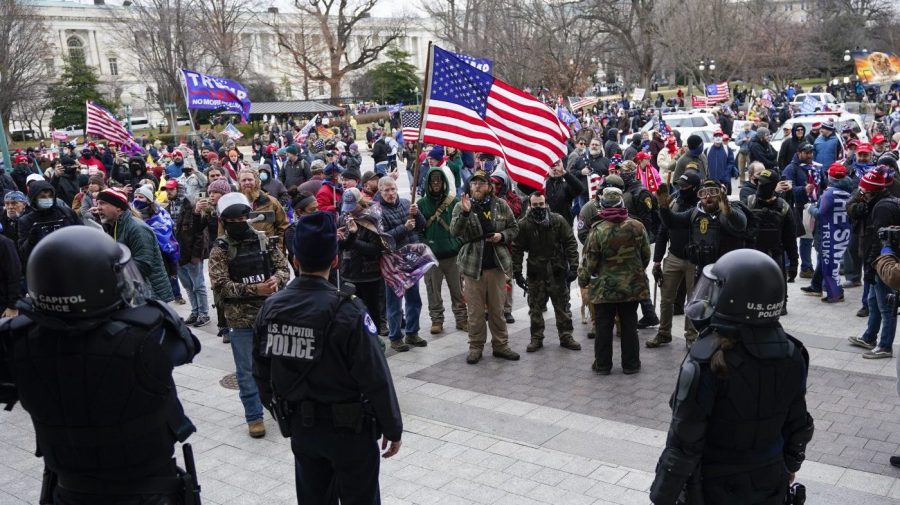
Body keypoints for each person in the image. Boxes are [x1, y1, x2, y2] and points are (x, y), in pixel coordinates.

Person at [0, 226, 201, 505]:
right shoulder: (146, 334)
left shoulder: (16, 339)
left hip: (68, 489)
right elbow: (187, 347)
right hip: (147, 490)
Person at [252, 211, 402, 504]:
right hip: (351, 432)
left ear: (295, 260)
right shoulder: (349, 310)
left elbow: (259, 370)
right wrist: (392, 426)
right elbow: (375, 376)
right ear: (335, 260)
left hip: (303, 429)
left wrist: (278, 411)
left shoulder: (270, 308)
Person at [649, 249, 814, 505]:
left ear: (735, 299)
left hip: (713, 486)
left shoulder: (707, 359)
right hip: (770, 480)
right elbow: (799, 424)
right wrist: (790, 464)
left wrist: (662, 496)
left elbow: (684, 442)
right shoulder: (793, 353)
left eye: (715, 291)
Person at [578, 187, 651, 375]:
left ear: (602, 205)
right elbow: (645, 256)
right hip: (632, 287)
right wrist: (634, 271)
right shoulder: (637, 226)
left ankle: (602, 365)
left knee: (603, 327)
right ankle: (631, 364)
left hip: (605, 289)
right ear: (622, 204)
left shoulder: (597, 230)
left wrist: (583, 280)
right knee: (629, 325)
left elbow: (589, 262)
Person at [450, 170, 520, 364]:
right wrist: (465, 213)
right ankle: (475, 347)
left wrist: (502, 236)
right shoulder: (461, 206)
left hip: (497, 266)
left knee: (498, 311)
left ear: (490, 187)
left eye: (481, 183)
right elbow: (455, 232)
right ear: (470, 186)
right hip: (473, 267)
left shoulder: (501, 205)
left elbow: (514, 228)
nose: (477, 186)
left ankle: (501, 346)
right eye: (474, 183)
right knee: (475, 312)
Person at [513, 192, 581, 352]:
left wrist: (574, 266)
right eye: (535, 205)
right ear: (530, 206)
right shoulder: (524, 224)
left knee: (562, 306)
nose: (538, 208)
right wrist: (517, 273)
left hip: (557, 270)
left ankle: (566, 336)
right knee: (535, 308)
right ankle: (536, 338)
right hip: (536, 272)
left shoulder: (557, 220)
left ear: (546, 204)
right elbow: (517, 249)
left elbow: (570, 242)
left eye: (541, 204)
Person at [847, 167, 900, 359]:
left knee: (886, 306)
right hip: (879, 261)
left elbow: (880, 241)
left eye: (864, 190)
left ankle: (885, 345)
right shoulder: (880, 203)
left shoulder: (882, 208)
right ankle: (869, 336)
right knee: (873, 300)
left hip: (883, 263)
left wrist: (871, 266)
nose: (862, 193)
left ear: (871, 191)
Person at [647, 171, 701, 348]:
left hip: (695, 260)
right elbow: (663, 232)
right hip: (674, 256)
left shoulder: (701, 207)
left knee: (693, 301)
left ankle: (691, 337)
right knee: (666, 299)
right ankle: (664, 333)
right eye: (680, 185)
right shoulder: (674, 201)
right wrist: (656, 261)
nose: (681, 189)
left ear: (694, 187)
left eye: (685, 186)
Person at [378, 177, 428, 351]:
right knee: (394, 302)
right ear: (380, 191)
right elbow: (384, 239)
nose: (391, 193)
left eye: (393, 189)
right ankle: (395, 336)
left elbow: (422, 225)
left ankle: (412, 333)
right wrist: (404, 228)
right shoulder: (377, 211)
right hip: (393, 262)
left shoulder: (407, 203)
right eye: (386, 190)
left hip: (411, 259)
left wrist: (417, 212)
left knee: (414, 299)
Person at [417, 163, 467, 335]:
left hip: (453, 255)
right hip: (432, 257)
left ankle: (461, 318)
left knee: (458, 289)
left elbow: (463, 225)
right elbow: (418, 230)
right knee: (433, 291)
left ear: (444, 182)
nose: (436, 184)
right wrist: (425, 246)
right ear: (428, 183)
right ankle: (437, 319)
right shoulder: (421, 204)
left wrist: (458, 243)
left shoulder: (453, 202)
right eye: (433, 181)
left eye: (439, 181)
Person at [657, 180, 747, 275]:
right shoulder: (695, 213)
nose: (708, 196)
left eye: (713, 192)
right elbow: (672, 222)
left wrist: (729, 213)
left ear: (721, 194)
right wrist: (664, 208)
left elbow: (741, 224)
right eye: (703, 193)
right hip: (703, 272)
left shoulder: (731, 208)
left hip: (728, 271)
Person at [746, 169, 799, 311]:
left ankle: (781, 305)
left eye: (764, 185)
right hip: (754, 254)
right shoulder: (750, 202)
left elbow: (790, 238)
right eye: (758, 183)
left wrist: (794, 263)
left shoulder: (783, 207)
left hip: (775, 253)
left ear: (773, 186)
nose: (760, 187)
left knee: (779, 282)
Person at [16, 181, 82, 267]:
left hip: (70, 262)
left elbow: (82, 234)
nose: (47, 199)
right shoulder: (26, 221)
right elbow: (23, 253)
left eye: (50, 196)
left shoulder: (66, 213)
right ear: (34, 198)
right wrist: (31, 240)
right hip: (44, 267)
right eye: (43, 197)